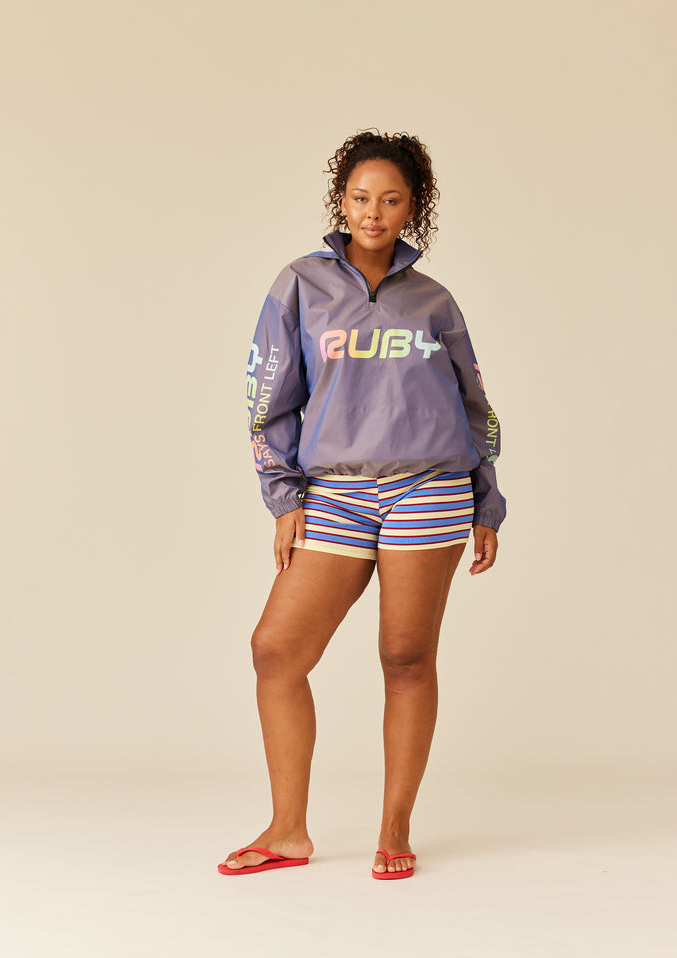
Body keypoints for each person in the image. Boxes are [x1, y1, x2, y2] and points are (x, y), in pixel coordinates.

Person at [218, 130, 506, 881]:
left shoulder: (434, 301)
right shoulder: (300, 285)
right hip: (334, 493)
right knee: (276, 651)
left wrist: (487, 501)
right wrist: (283, 496)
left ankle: (394, 826)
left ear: (413, 208)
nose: (372, 212)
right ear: (340, 201)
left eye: (390, 200)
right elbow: (267, 399)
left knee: (406, 656)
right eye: (359, 197)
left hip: (429, 488)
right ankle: (287, 831)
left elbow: (475, 404)